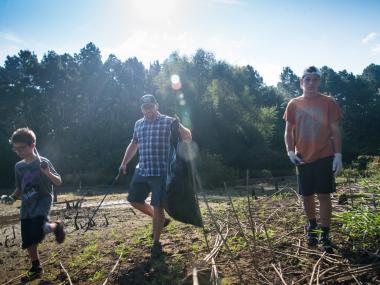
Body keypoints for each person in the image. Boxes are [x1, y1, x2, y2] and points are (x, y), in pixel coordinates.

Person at [119, 94, 192, 256]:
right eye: (145, 107)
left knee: (158, 206)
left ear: (156, 106)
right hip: (143, 169)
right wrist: (124, 163)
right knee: (134, 200)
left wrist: (180, 127)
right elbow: (134, 143)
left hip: (161, 172)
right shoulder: (138, 124)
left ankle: (156, 243)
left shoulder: (168, 121)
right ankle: (160, 219)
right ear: (141, 109)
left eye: (151, 106)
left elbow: (187, 135)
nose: (148, 109)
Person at [283, 66, 343, 253]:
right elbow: (288, 131)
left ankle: (325, 233)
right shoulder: (293, 104)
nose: (311, 83)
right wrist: (290, 152)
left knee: (324, 196)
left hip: (324, 155)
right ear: (301, 82)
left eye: (315, 79)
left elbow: (335, 130)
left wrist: (338, 155)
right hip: (302, 157)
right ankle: (312, 228)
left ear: (319, 82)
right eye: (307, 79)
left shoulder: (329, 102)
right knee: (307, 196)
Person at [1, 128, 65, 281]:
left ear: (33, 145)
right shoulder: (18, 166)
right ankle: (36, 267)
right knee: (28, 238)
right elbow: (19, 188)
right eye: (15, 148)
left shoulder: (43, 162)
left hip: (43, 200)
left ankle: (56, 226)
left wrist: (47, 173)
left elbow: (58, 181)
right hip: (26, 205)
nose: (18, 151)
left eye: (22, 147)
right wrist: (11, 197)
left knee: (38, 227)